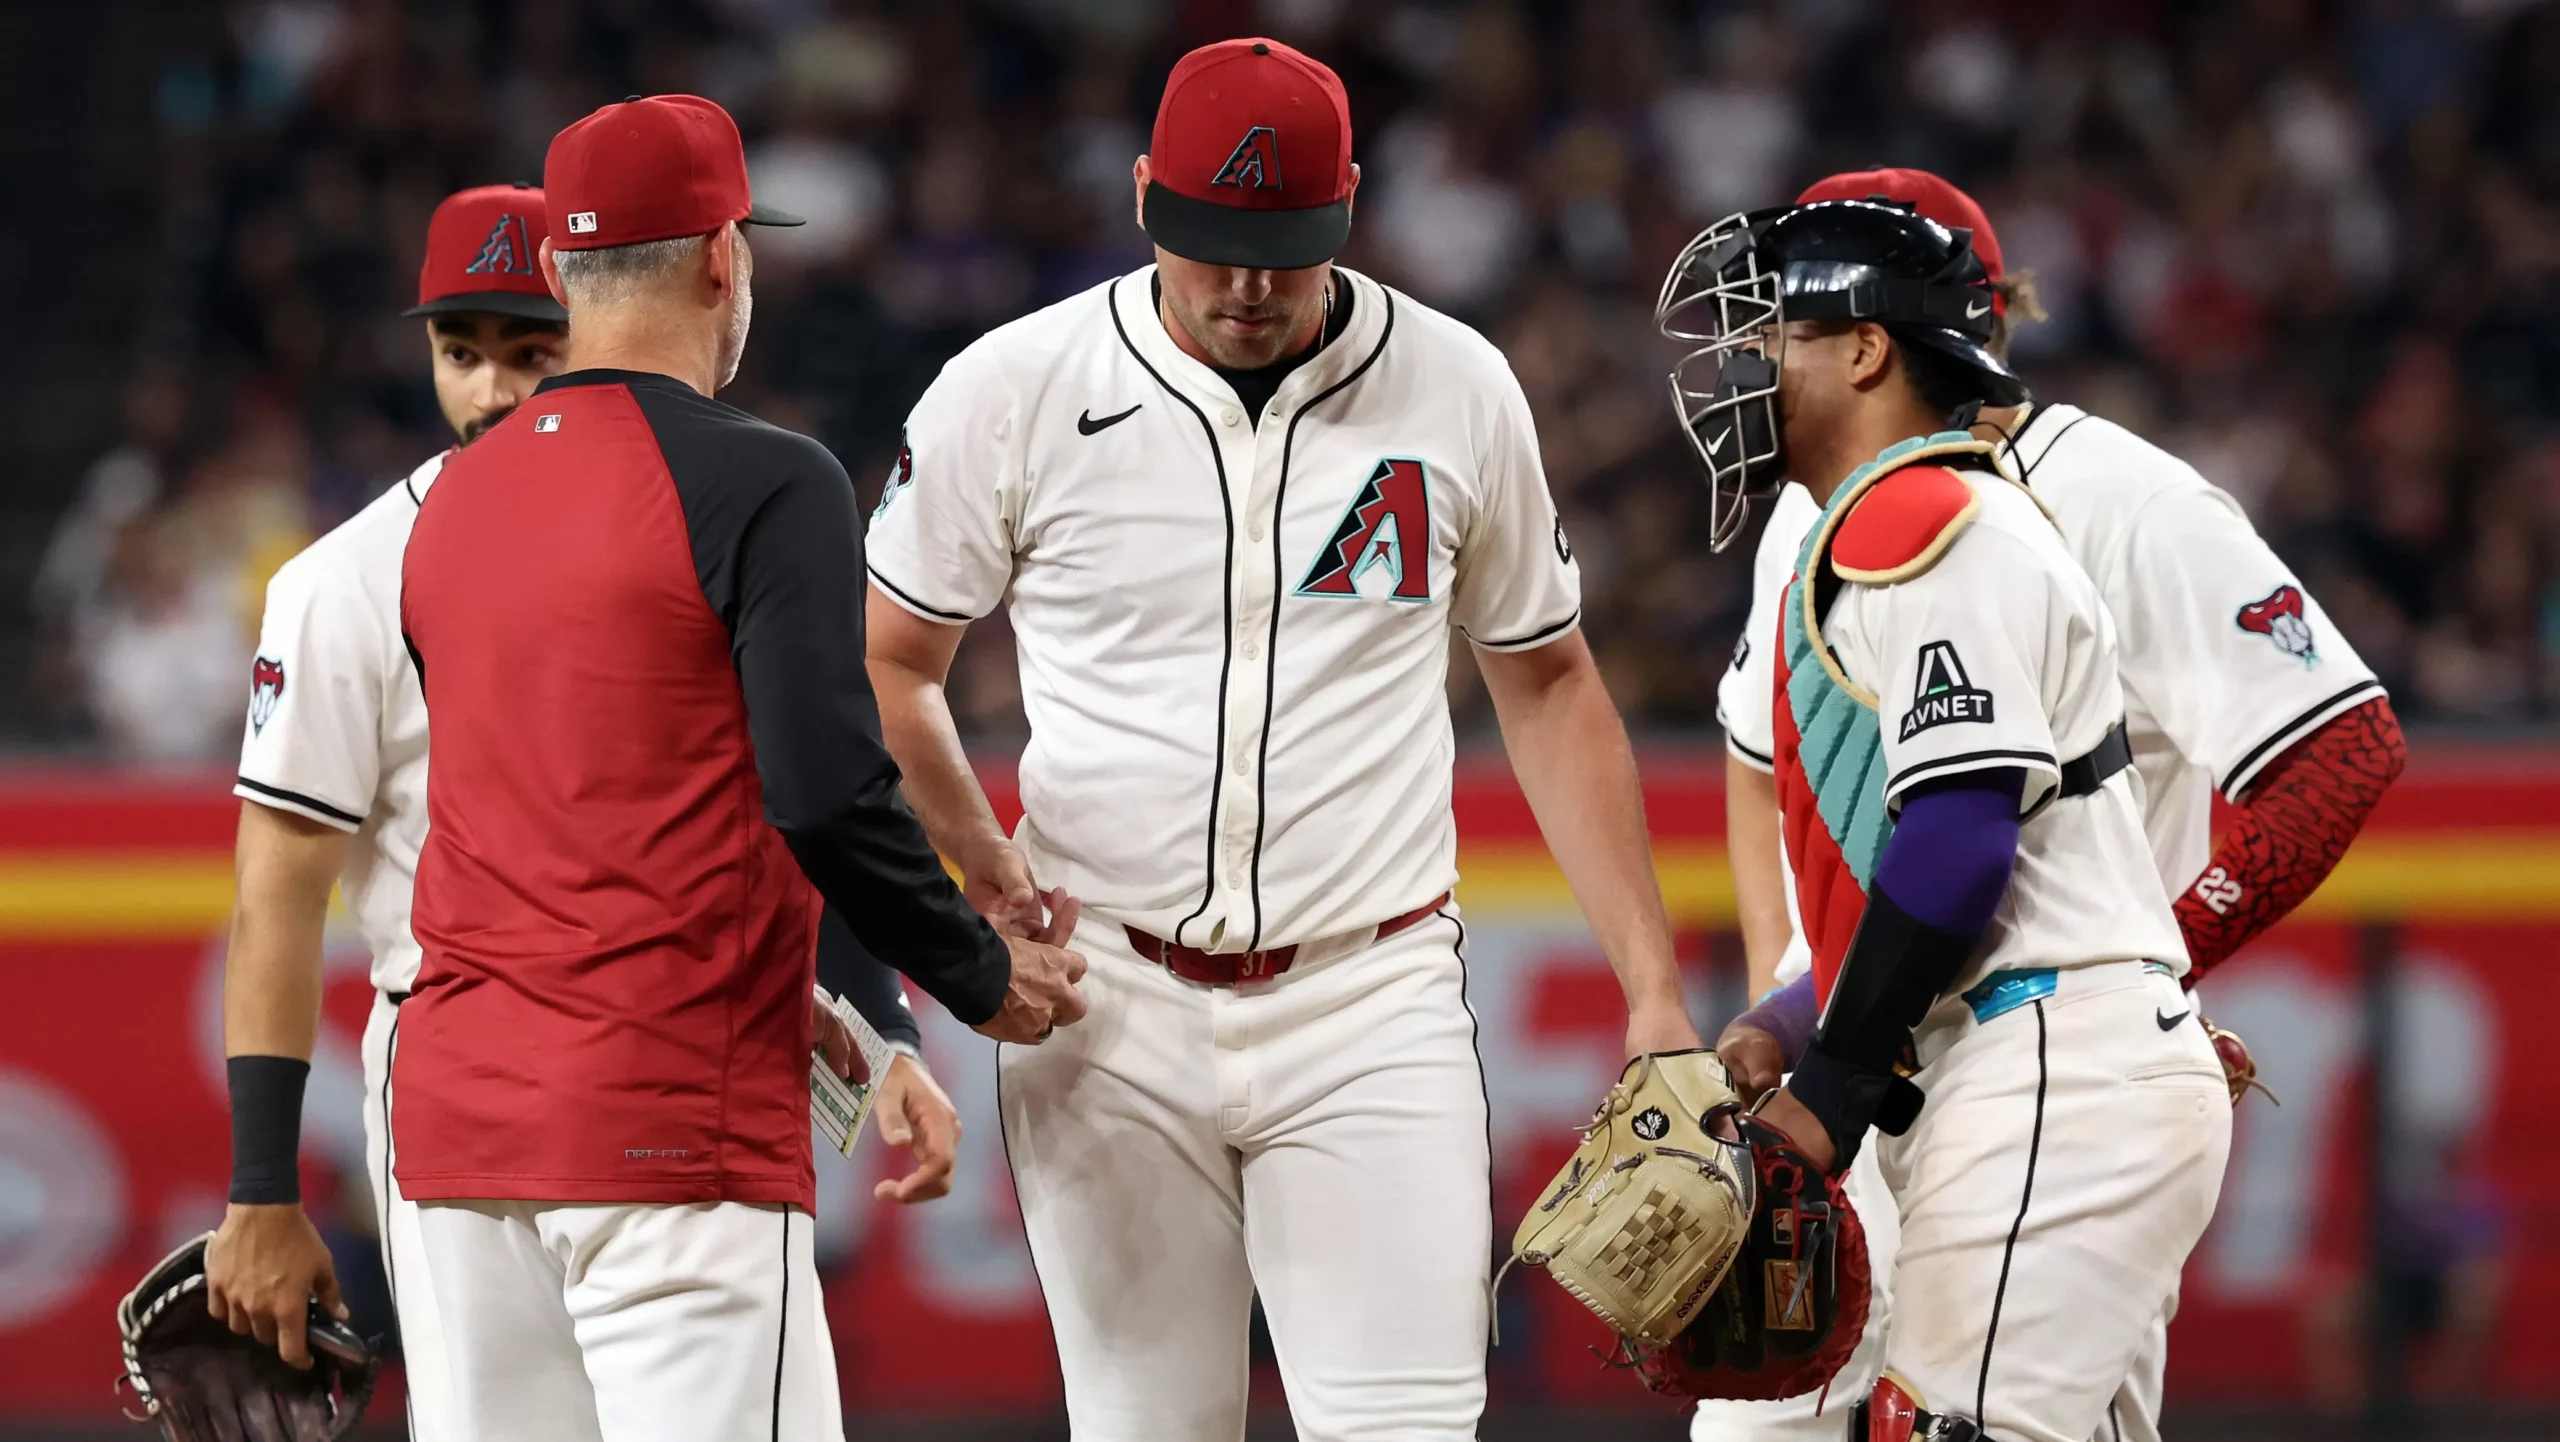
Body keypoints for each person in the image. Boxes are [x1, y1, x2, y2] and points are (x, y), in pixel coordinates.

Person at [863, 36, 1698, 1442]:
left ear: (1350, 205)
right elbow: (892, 663)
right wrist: (982, 864)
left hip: (1370, 997)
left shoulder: (1455, 384)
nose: (1247, 285)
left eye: (1283, 248)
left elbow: (1549, 683)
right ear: (1144, 195)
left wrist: (1654, 988)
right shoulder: (1014, 387)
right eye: (1213, 243)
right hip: (1108, 996)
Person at [201, 181, 974, 1435]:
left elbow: (783, 790)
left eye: (532, 349)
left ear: (592, 318)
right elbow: (277, 893)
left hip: (655, 1027)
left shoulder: (694, 508)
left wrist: (879, 1020)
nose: (495, 388)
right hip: (461, 1057)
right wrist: (259, 1188)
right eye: (462, 352)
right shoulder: (348, 577)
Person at [394, 97, 1087, 1442]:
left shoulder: (447, 502)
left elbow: (594, 804)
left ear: (558, 271)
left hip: (462, 1131)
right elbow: (822, 787)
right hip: (667, 1121)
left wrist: (847, 1013)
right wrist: (975, 970)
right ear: (725, 257)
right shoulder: (768, 480)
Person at [1691, 170, 2407, 1442]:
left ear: (1873, 345)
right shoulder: (1840, 510)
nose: (1747, 361)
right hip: (1919, 1035)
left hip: (2024, 1042)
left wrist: (2142, 966)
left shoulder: (1997, 511)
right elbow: (1802, 792)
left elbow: (1968, 836)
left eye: (1776, 327)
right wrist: (1791, 1011)